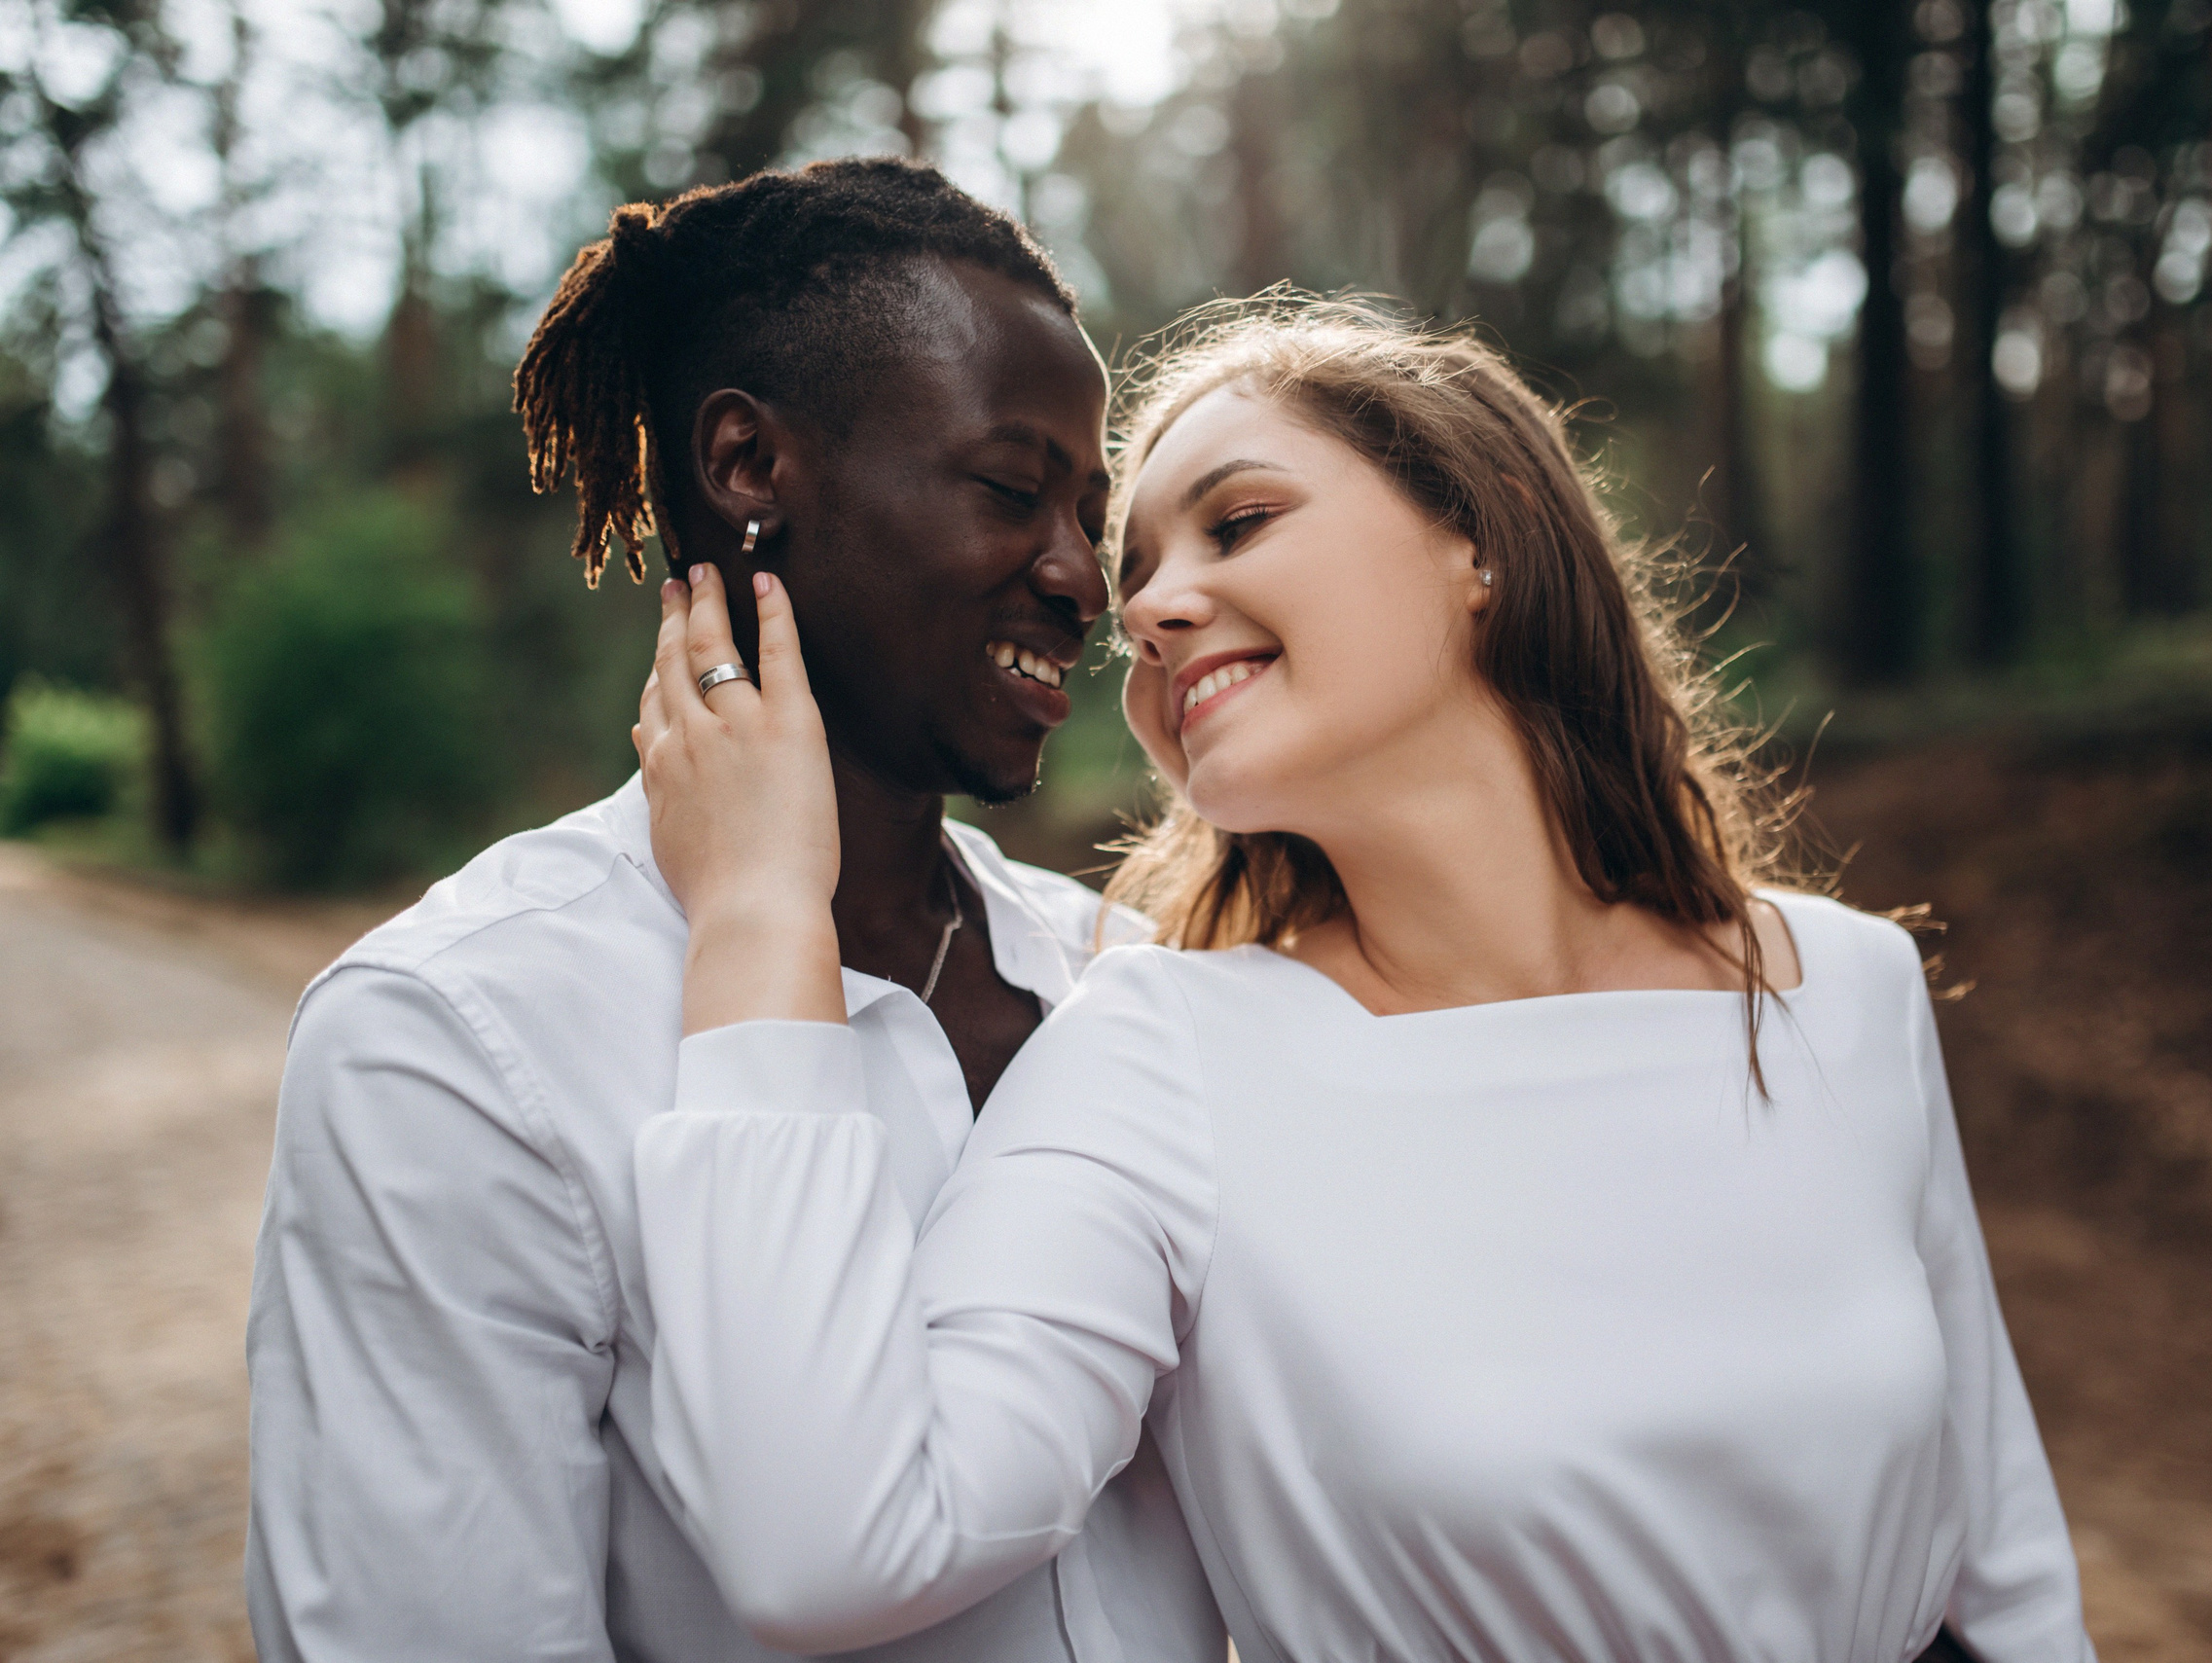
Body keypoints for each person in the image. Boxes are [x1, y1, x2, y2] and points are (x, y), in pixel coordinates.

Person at [624, 297, 2099, 1662]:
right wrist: (760, 912)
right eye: (1137, 578)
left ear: (1483, 543)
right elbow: (829, 1538)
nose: (1143, 609)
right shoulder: (1160, 1055)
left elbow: (2007, 1569)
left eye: (1239, 521)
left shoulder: (1845, 986)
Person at [243, 159, 1221, 1663]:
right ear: (750, 465)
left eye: (1092, 515)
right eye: (1015, 491)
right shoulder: (453, 1036)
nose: (1085, 578)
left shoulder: (1121, 976)